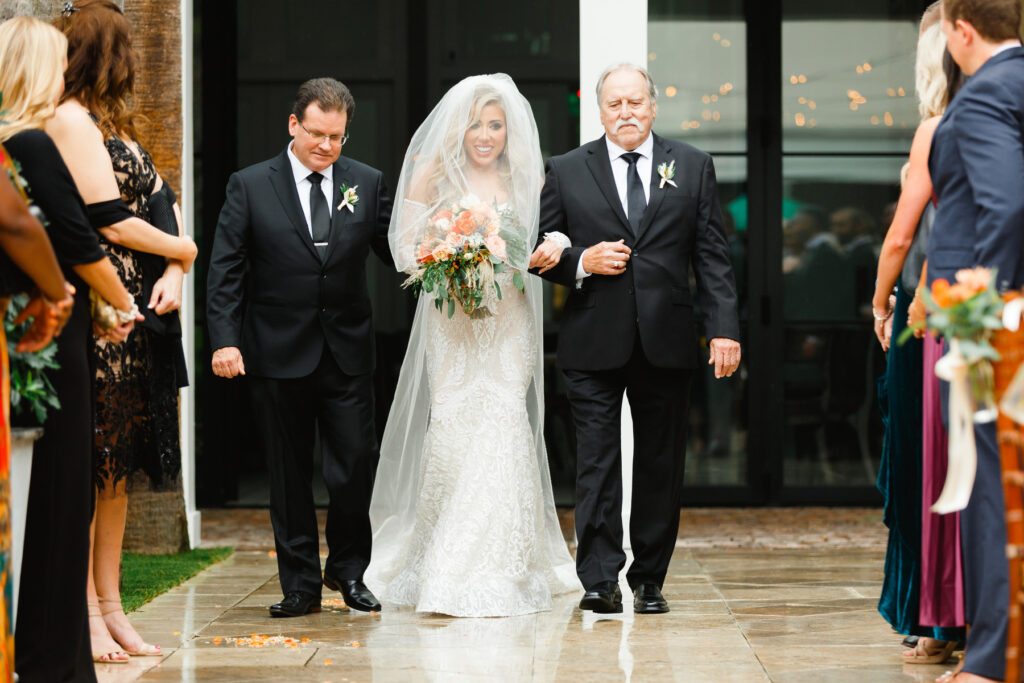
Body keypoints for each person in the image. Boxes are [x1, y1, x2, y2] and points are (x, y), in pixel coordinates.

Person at [365, 74, 579, 617]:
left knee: (505, 419)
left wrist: (554, 242)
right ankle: (445, 560)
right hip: (453, 325)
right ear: (457, 129)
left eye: (495, 125)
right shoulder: (432, 173)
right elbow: (402, 249)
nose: (485, 135)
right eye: (475, 125)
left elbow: (553, 232)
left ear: (509, 131)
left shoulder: (528, 175)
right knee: (457, 424)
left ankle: (502, 566)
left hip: (507, 322)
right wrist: (447, 257)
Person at [533, 63, 740, 614]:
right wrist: (581, 260)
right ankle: (599, 580)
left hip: (667, 340)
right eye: (614, 104)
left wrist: (723, 329)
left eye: (635, 102)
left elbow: (712, 256)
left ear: (653, 106)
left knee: (659, 463)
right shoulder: (566, 169)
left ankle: (650, 578)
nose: (625, 113)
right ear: (599, 111)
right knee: (596, 463)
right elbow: (536, 250)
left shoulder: (693, 166)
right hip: (592, 339)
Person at [208, 77, 393, 618]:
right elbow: (225, 270)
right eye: (317, 134)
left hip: (348, 351)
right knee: (288, 474)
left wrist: (456, 246)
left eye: (337, 137)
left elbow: (398, 250)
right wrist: (224, 339)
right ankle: (300, 585)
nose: (327, 147)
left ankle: (350, 569)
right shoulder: (249, 185)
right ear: (294, 125)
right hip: (275, 351)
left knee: (355, 464)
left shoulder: (367, 181)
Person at [48, 0, 197, 661]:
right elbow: (108, 219)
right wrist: (186, 249)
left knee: (119, 472)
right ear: (107, 52)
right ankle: (83, 608)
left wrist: (176, 265)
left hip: (141, 314)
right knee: (94, 461)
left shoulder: (115, 124)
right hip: (102, 313)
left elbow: (165, 201)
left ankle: (113, 606)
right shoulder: (68, 119)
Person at [0, 15, 143, 678]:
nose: (65, 77)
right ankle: (53, 657)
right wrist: (112, 301)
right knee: (59, 500)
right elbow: (78, 241)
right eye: (56, 65)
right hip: (48, 346)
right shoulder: (29, 140)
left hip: (30, 333)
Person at [926, 0, 1024, 680]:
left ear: (963, 30)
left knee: (991, 489)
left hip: (997, 322)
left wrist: (989, 303)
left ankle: (989, 660)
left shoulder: (985, 92)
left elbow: (1008, 202)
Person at [870, 5, 965, 665]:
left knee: (924, 464)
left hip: (929, 311)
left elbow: (901, 236)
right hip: (976, 305)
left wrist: (879, 304)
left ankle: (932, 617)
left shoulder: (936, 128)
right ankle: (951, 616)